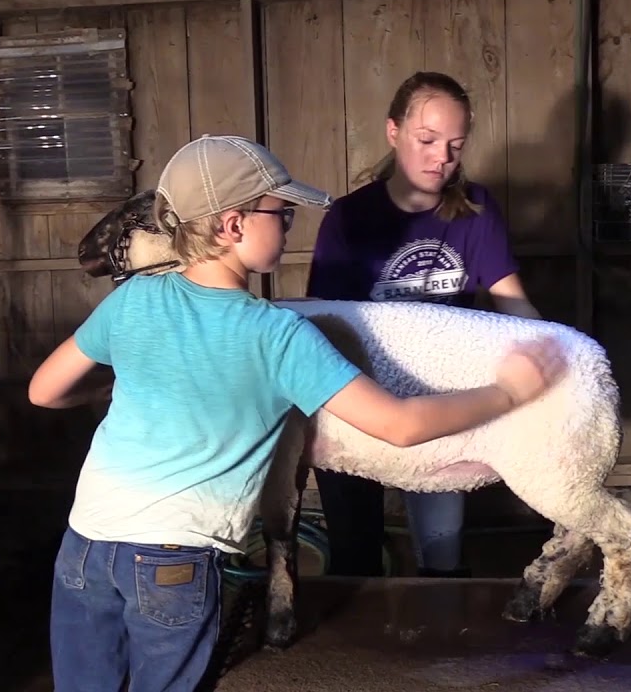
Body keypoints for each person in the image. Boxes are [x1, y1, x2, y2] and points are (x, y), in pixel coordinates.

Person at [28, 133, 568, 692]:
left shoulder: (133, 299)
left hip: (84, 545)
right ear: (232, 226)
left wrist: (113, 392)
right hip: (174, 560)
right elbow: (400, 426)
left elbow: (44, 390)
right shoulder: (277, 334)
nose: (289, 226)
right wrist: (508, 393)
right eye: (281, 213)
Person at [306, 71, 545, 579]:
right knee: (354, 552)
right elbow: (324, 324)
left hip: (442, 401)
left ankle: (441, 651)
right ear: (393, 132)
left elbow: (512, 300)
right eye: (428, 140)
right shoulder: (348, 219)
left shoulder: (475, 212)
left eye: (456, 146)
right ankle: (360, 653)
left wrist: (553, 356)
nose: (443, 158)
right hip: (359, 400)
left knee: (443, 551)